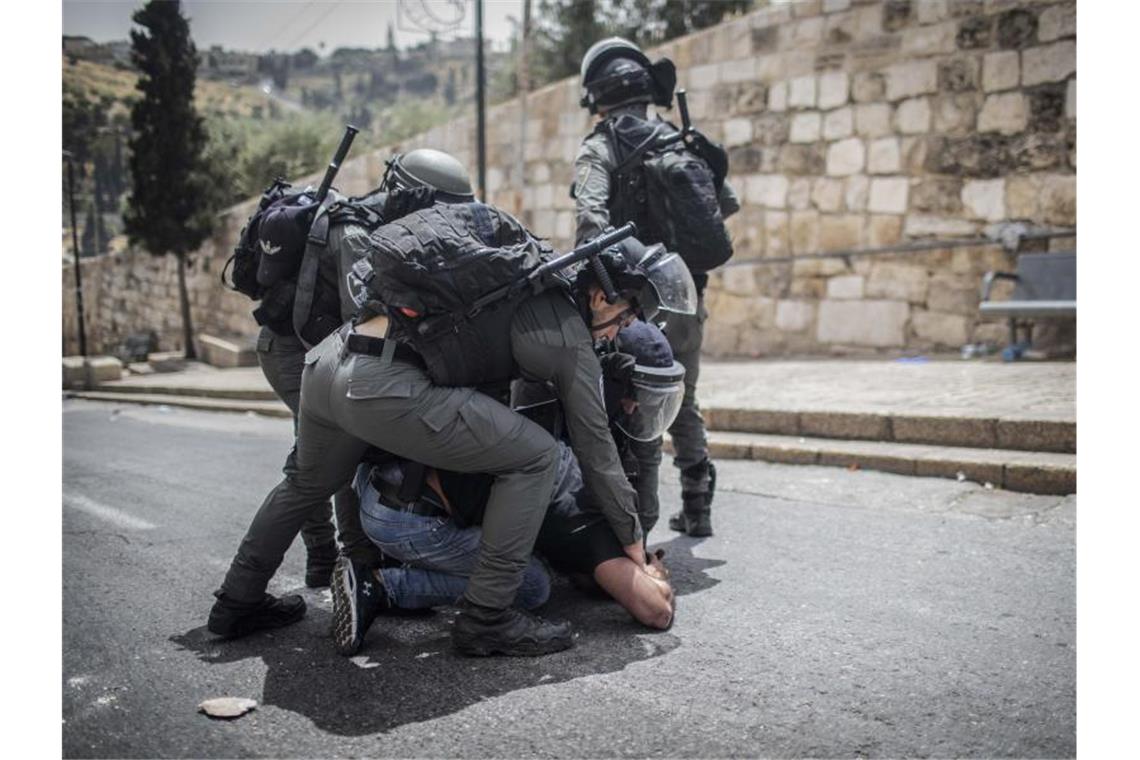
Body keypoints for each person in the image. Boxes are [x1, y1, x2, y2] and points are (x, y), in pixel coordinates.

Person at [209, 187, 697, 657]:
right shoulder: (569, 336)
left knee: (303, 485)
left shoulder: (519, 282)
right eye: (627, 313)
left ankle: (237, 602)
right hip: (382, 386)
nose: (623, 328)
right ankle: (489, 618)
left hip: (330, 363)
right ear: (600, 296)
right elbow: (597, 451)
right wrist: (634, 546)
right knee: (536, 458)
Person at [206, 149, 470, 637]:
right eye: (442, 211)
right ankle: (240, 599)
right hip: (293, 353)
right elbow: (364, 322)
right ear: (416, 198)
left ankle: (340, 563)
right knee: (315, 470)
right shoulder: (357, 233)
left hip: (312, 351)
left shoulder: (380, 228)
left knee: (335, 462)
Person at [331, 320, 684, 654]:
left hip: (384, 481)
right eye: (632, 395)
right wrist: (652, 574)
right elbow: (656, 612)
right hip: (406, 517)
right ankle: (378, 586)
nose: (634, 407)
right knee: (531, 585)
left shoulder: (547, 401)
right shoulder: (591, 513)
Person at [572, 37, 741, 539]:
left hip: (633, 302)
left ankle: (633, 523)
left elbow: (589, 223)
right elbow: (723, 207)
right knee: (682, 395)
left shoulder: (600, 146)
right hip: (688, 293)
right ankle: (697, 503)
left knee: (628, 398)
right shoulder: (680, 139)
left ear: (596, 97)